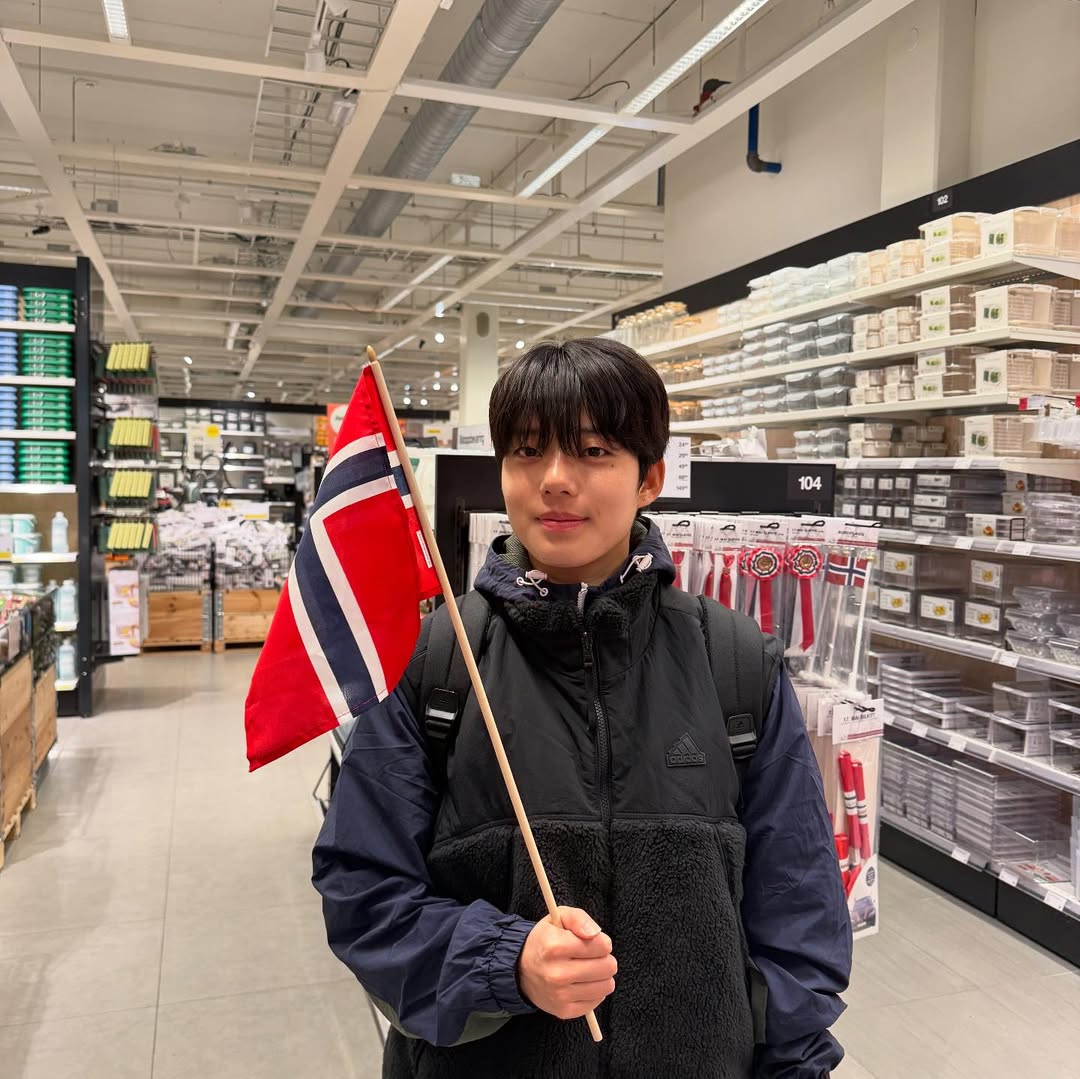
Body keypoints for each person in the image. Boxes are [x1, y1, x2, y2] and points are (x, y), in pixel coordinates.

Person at [312, 338, 852, 1078]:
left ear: (649, 477)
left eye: (594, 451)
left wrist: (794, 1066)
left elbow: (799, 904)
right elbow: (364, 890)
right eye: (527, 451)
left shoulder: (733, 662)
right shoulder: (434, 664)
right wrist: (504, 961)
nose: (556, 480)